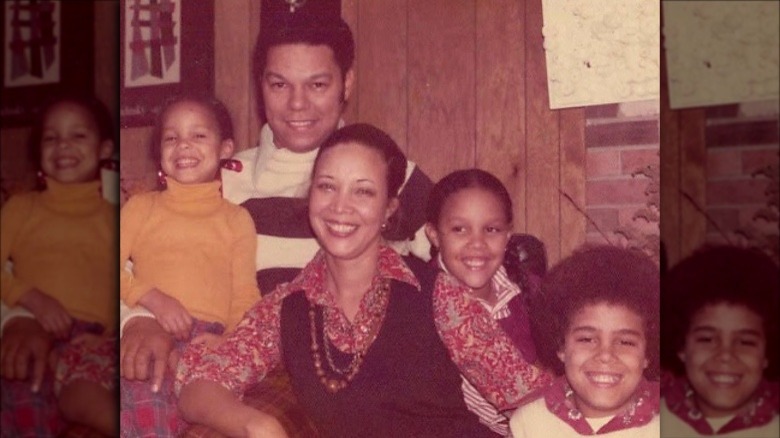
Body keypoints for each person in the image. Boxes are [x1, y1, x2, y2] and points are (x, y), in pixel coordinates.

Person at [119, 8, 433, 402]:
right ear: (260, 86)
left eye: (317, 84)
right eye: (279, 85)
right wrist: (138, 321)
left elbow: (463, 264)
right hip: (237, 371)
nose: (297, 105)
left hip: (357, 383)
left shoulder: (393, 176)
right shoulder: (218, 180)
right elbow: (131, 260)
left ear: (346, 83)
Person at [175, 123, 549, 437]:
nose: (341, 206)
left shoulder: (437, 294)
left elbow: (529, 394)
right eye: (327, 186)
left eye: (363, 191)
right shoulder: (285, 306)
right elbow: (198, 389)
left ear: (388, 209)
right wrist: (259, 426)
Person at [119, 94, 260, 436]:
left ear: (225, 148)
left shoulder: (237, 219)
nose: (183, 145)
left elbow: (244, 295)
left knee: (202, 406)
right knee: (143, 397)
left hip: (207, 340)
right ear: (160, 150)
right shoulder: (141, 207)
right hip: (150, 326)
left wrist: (228, 340)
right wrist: (150, 296)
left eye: (198, 136)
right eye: (171, 137)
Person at [0, 94, 118, 437]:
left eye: (78, 135)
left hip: (95, 343)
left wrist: (110, 333)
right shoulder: (22, 207)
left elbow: (124, 282)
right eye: (51, 138)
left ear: (105, 149)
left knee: (92, 402)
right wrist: (32, 298)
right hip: (31, 333)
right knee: (23, 405)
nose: (63, 145)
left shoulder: (115, 218)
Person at [424, 168, 544, 436]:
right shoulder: (418, 302)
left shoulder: (534, 293)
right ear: (434, 234)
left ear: (507, 235)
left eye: (491, 229)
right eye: (459, 229)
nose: (477, 244)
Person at [509, 246, 661, 437]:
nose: (605, 355)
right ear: (561, 346)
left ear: (648, 353)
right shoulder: (530, 423)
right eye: (587, 339)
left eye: (625, 342)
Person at [660, 245, 779, 437]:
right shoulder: (649, 418)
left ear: (768, 352)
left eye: (745, 342)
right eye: (707, 339)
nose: (725, 355)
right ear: (681, 346)